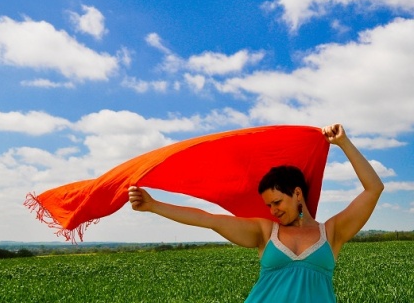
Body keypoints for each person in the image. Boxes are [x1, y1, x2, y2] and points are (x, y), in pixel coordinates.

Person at [128, 124, 384, 302]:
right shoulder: (265, 232)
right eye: (269, 206)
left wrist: (343, 143)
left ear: (297, 194)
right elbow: (209, 220)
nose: (273, 211)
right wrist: (154, 206)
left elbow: (374, 189)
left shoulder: (331, 233)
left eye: (277, 202)